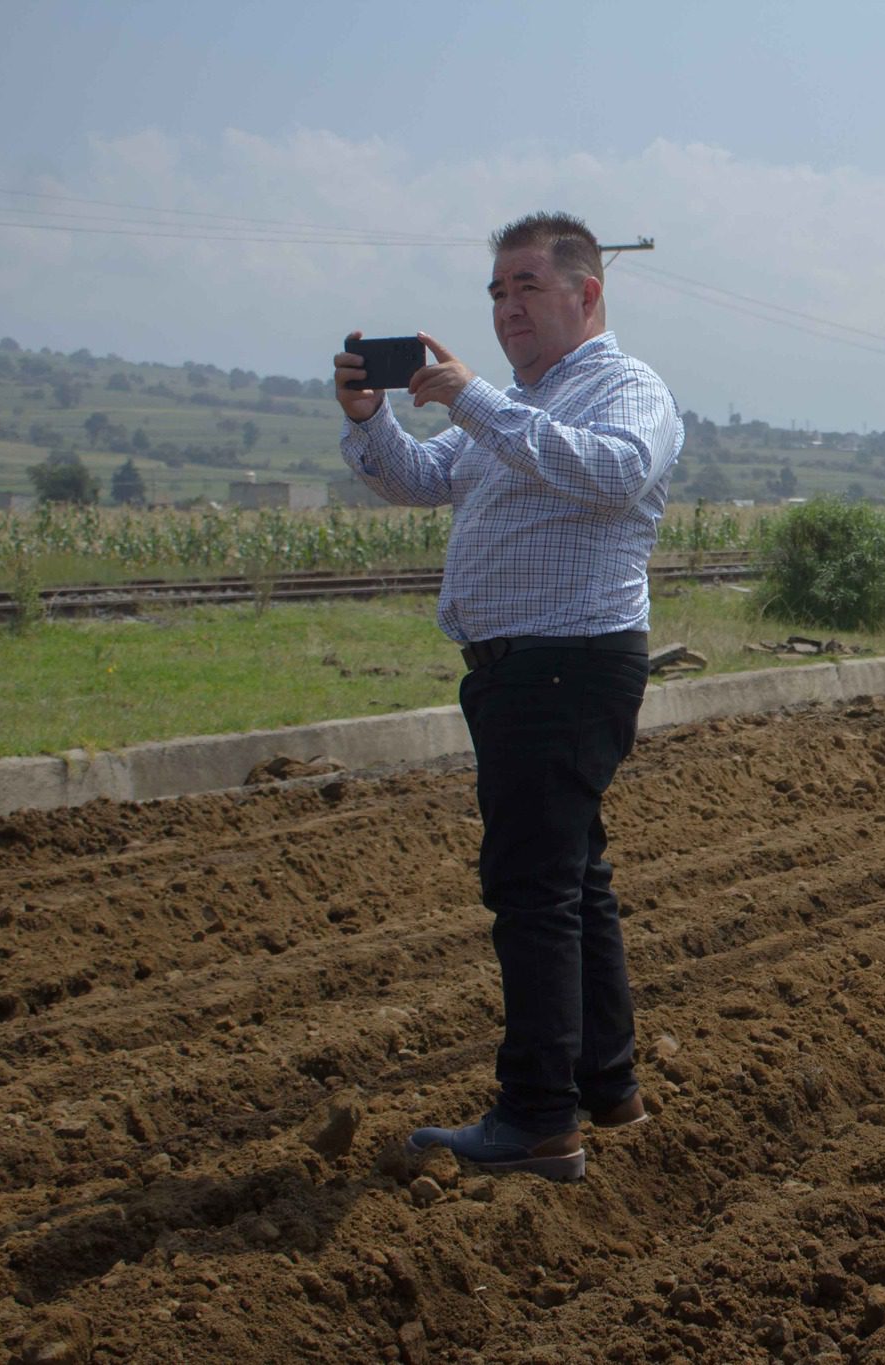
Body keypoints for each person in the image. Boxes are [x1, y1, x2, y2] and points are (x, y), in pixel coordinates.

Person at [336, 211, 683, 1181]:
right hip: (520, 672)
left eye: (527, 285)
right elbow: (418, 478)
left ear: (587, 294)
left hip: (565, 664)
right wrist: (372, 419)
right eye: (496, 290)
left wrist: (478, 402)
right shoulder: (512, 405)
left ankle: (537, 1119)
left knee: (530, 891)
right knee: (574, 882)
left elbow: (614, 473)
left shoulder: (624, 388)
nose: (505, 305)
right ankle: (605, 1086)